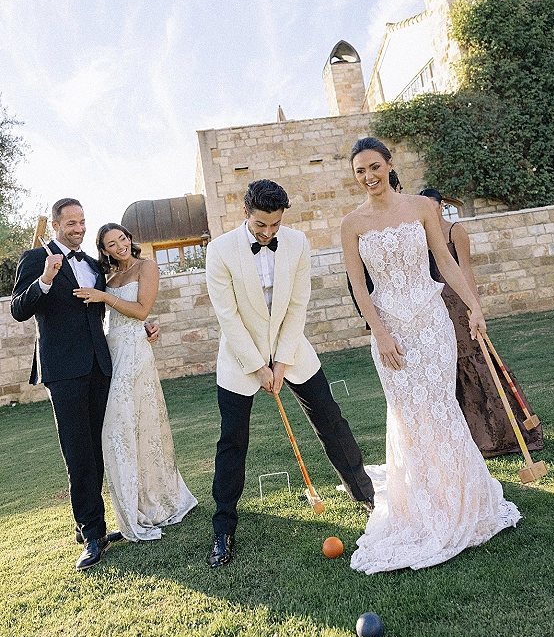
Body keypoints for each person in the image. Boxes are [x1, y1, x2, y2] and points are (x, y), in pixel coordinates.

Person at [341, 139, 520, 574]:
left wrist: (473, 304)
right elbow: (359, 286)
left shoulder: (423, 207)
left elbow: (444, 258)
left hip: (432, 323)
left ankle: (462, 501)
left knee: (439, 409)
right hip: (391, 332)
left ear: (389, 165)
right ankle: (422, 507)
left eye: (375, 167)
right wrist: (379, 332)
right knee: (408, 416)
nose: (369, 177)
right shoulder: (352, 223)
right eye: (360, 171)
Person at [205, 179, 374, 569]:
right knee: (233, 440)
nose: (268, 232)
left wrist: (280, 362)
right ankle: (223, 528)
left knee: (331, 420)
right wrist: (258, 366)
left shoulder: (297, 243)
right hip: (240, 357)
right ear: (245, 213)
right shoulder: (220, 251)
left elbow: (298, 305)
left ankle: (365, 496)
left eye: (275, 225)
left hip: (291, 348)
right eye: (261, 225)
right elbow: (227, 317)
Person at [11, 199, 131, 571]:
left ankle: (88, 524)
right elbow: (18, 309)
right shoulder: (35, 259)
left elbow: (107, 310)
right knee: (78, 450)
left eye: (82, 222)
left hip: (98, 365)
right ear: (56, 226)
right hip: (63, 370)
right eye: (71, 223)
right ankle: (93, 533)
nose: (79, 229)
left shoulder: (94, 265)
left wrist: (145, 327)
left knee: (97, 448)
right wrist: (45, 279)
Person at [73, 223, 197, 541]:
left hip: (136, 354)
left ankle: (148, 505)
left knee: (122, 429)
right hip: (112, 353)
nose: (120, 246)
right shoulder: (110, 279)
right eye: (112, 244)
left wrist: (104, 297)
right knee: (126, 433)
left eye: (122, 239)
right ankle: (132, 505)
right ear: (105, 250)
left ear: (129, 239)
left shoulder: (147, 266)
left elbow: (142, 311)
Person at [419, 188, 544, 457]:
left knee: (475, 360)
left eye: (432, 206)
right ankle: (466, 437)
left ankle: (499, 432)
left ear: (440, 206)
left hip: (459, 304)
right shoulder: (421, 235)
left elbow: (465, 270)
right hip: (436, 307)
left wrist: (475, 307)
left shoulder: (455, 232)